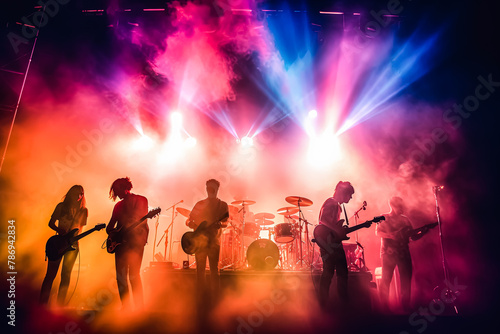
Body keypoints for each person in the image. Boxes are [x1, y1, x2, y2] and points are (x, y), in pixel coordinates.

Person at [376, 196, 429, 312]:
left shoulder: (405, 220)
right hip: (388, 252)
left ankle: (405, 306)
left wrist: (423, 233)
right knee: (386, 279)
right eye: (399, 206)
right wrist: (391, 235)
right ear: (392, 205)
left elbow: (413, 237)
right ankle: (384, 307)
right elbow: (378, 232)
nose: (401, 209)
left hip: (403, 252)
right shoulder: (383, 217)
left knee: (406, 279)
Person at [40, 185, 88, 306]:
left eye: (81, 194)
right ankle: (43, 304)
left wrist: (74, 238)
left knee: (66, 275)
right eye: (76, 193)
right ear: (70, 193)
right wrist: (59, 230)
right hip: (58, 243)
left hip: (73, 245)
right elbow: (50, 223)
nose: (78, 196)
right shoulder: (61, 207)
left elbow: (80, 229)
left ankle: (59, 306)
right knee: (50, 275)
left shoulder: (83, 211)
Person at [107, 177, 149, 310]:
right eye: (114, 191)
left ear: (126, 187)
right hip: (120, 244)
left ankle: (139, 307)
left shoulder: (142, 200)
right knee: (121, 276)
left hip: (136, 242)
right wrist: (115, 234)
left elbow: (143, 221)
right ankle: (125, 307)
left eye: (117, 190)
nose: (116, 194)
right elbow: (109, 227)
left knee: (134, 274)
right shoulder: (118, 206)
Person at [187, 179, 228, 303]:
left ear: (217, 189)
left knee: (214, 269)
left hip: (214, 241)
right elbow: (188, 220)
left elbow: (226, 222)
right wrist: (192, 225)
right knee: (200, 269)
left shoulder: (222, 205)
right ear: (206, 188)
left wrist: (220, 223)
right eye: (208, 187)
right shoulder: (199, 204)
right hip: (199, 241)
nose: (210, 189)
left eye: (212, 187)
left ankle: (215, 298)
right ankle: (201, 297)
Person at [317, 181, 355, 309]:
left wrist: (338, 230)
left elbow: (331, 225)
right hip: (330, 243)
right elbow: (323, 220)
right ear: (343, 192)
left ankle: (324, 304)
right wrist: (337, 230)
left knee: (332, 272)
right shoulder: (331, 203)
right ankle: (339, 304)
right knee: (338, 273)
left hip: (331, 242)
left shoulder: (336, 204)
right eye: (349, 195)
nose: (350, 198)